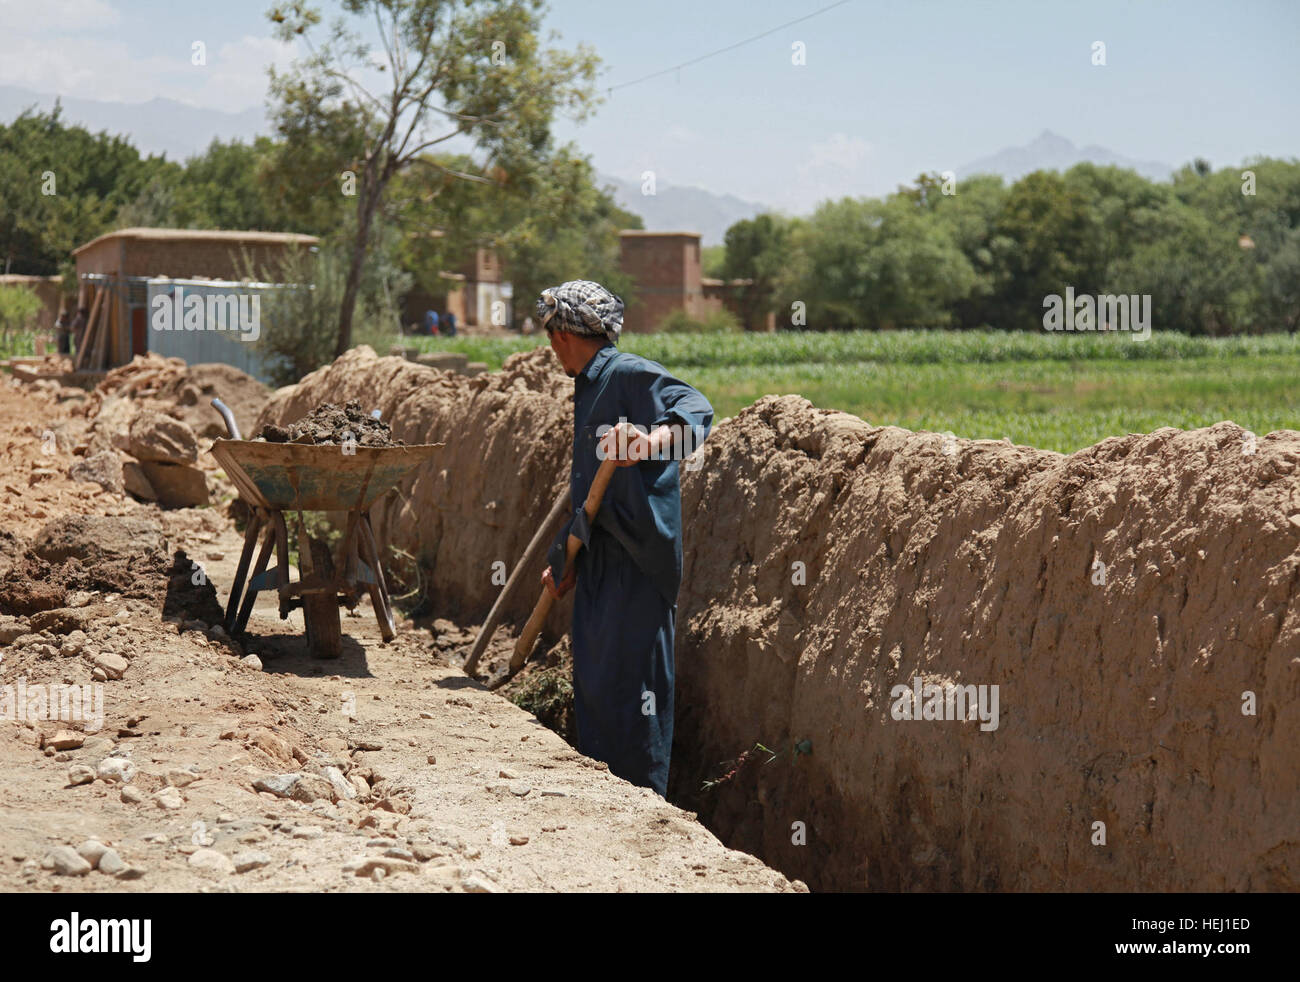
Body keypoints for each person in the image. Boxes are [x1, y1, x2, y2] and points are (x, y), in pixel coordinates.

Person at [537, 279, 714, 797]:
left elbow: (698, 413)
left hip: (638, 563)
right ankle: (600, 794)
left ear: (563, 334)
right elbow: (591, 498)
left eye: (551, 336)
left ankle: (643, 805)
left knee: (638, 690)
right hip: (597, 558)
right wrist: (564, 556)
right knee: (595, 682)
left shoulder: (629, 373)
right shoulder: (589, 385)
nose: (550, 348)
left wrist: (649, 441)